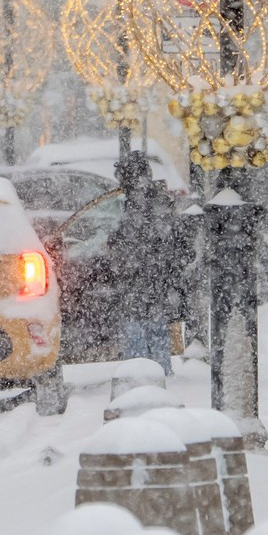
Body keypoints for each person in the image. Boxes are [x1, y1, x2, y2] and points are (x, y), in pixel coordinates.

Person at [107, 152, 188, 375]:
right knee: (155, 328)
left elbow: (131, 241)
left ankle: (140, 375)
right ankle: (160, 372)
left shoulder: (136, 204)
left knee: (137, 330)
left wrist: (116, 249)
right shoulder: (158, 201)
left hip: (140, 280)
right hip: (155, 280)